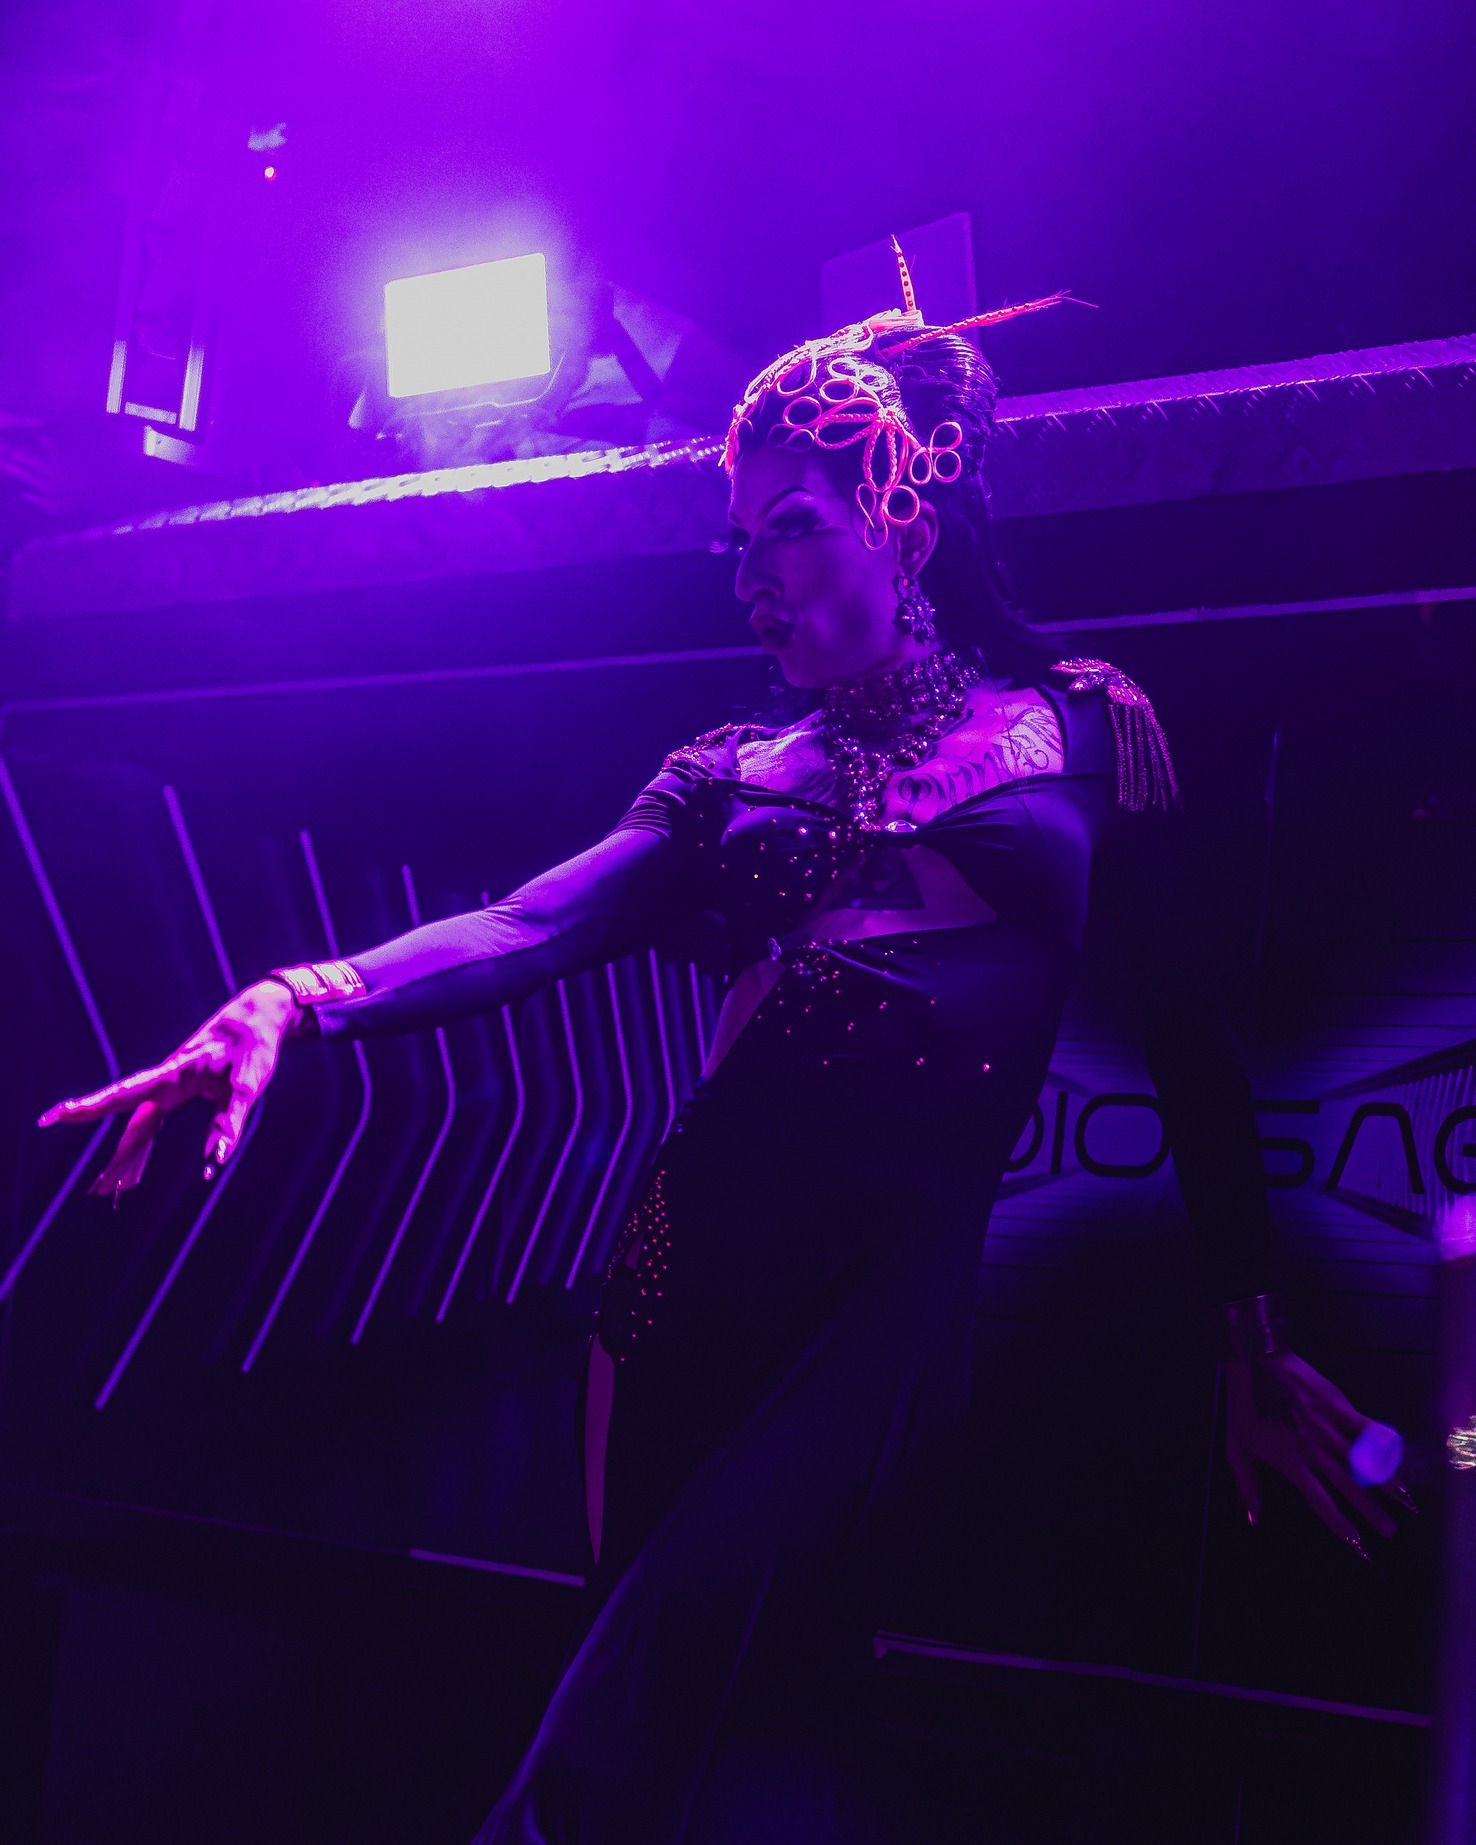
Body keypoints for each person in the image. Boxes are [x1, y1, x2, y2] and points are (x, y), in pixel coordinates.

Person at [39, 251, 1411, 1841]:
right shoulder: (729, 771)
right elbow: (524, 924)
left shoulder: (1089, 724)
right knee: (674, 1743)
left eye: (791, 528)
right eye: (737, 541)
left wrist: (1251, 1335)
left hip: (885, 1318)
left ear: (902, 513)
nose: (753, 576)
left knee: (634, 1737)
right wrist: (294, 993)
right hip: (676, 1293)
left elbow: (1190, 1041)